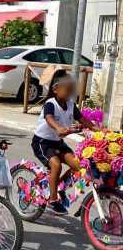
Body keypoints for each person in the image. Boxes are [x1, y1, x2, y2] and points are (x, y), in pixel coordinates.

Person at [31, 70, 95, 215]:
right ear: (55, 89)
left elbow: (85, 121)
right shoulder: (50, 103)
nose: (70, 92)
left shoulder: (71, 105)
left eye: (72, 89)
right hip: (42, 143)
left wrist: (101, 130)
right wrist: (59, 128)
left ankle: (57, 186)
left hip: (57, 143)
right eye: (67, 89)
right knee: (56, 165)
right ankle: (53, 200)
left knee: (79, 165)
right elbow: (49, 118)